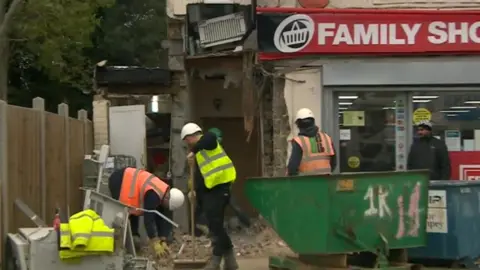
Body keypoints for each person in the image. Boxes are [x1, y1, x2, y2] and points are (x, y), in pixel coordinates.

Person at [181, 122, 238, 270]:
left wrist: (193, 151)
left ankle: (217, 260)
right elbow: (200, 177)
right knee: (214, 225)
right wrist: (194, 192)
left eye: (187, 140)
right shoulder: (199, 153)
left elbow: (210, 138)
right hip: (211, 191)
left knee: (216, 225)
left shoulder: (209, 141)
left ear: (193, 136)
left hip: (221, 187)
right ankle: (229, 262)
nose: (187, 144)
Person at [108, 167, 185, 258]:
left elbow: (162, 215)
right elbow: (149, 219)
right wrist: (155, 240)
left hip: (130, 182)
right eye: (167, 205)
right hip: (120, 179)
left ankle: (134, 238)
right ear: (167, 198)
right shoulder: (153, 194)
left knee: (134, 209)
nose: (166, 207)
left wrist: (163, 239)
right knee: (122, 214)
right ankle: (120, 248)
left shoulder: (163, 192)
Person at [287, 108, 336, 176]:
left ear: (298, 125)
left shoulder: (299, 141)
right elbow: (334, 163)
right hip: (326, 181)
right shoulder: (326, 137)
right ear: (313, 122)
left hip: (307, 183)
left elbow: (293, 167)